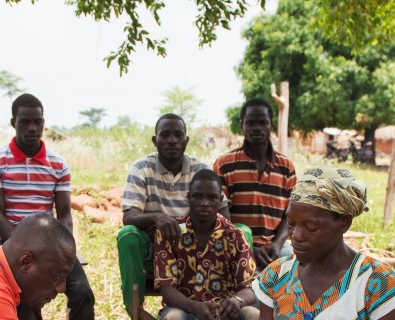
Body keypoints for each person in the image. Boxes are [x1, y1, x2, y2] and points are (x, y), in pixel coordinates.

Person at [118, 114, 252, 319]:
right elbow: (129, 216)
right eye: (165, 135)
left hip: (200, 234)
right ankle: (135, 307)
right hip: (157, 242)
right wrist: (157, 218)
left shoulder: (201, 169)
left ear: (186, 141)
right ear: (155, 141)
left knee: (242, 232)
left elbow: (224, 214)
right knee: (128, 235)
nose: (172, 140)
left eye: (178, 135)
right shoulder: (141, 168)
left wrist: (221, 233)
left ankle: (235, 295)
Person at [0, 93, 95, 320]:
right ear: (13, 123)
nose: (33, 127)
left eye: (38, 121)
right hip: (14, 248)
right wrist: (22, 248)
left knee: (82, 293)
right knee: (25, 304)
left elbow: (64, 216)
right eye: (25, 121)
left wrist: (63, 251)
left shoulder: (58, 164)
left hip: (53, 246)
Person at [253, 166, 395, 319]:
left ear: (344, 222)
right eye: (291, 223)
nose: (296, 236)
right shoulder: (276, 275)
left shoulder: (379, 285)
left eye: (311, 227)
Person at [151, 169, 259, 320]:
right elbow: (166, 288)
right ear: (188, 197)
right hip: (185, 309)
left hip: (225, 311)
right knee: (173, 317)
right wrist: (195, 307)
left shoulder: (234, 235)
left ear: (220, 200)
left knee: (253, 314)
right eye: (197, 196)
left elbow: (249, 286)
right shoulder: (170, 233)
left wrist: (237, 301)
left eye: (212, 197)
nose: (204, 203)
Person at [214, 99, 296, 269]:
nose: (257, 127)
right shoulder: (224, 164)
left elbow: (292, 212)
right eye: (251, 122)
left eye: (263, 122)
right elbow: (220, 215)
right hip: (234, 246)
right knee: (248, 291)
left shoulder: (286, 167)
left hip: (274, 250)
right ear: (242, 125)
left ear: (271, 125)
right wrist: (247, 246)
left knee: (288, 286)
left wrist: (278, 244)